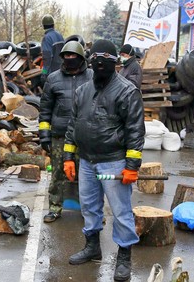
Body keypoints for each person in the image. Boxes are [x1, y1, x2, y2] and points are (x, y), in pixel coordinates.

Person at [63, 39, 145, 281]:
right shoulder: (82, 91)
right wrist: (69, 157)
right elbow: (72, 126)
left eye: (106, 58)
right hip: (87, 162)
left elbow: (135, 131)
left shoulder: (128, 91)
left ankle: (124, 257)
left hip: (114, 162)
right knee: (88, 206)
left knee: (121, 212)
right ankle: (92, 247)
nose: (100, 62)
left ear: (116, 62)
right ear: (90, 59)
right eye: (96, 57)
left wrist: (132, 166)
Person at [39, 41, 93, 223]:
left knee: (89, 175)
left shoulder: (93, 77)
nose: (70, 59)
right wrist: (44, 135)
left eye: (73, 56)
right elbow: (45, 109)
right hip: (60, 135)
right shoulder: (53, 79)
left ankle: (92, 211)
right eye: (66, 56)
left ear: (81, 58)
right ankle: (54, 208)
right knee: (57, 174)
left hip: (86, 135)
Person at [40, 15, 64, 84]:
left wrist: (44, 73)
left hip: (52, 74)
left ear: (43, 26)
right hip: (62, 70)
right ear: (53, 25)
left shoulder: (46, 38)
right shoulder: (60, 35)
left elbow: (47, 59)